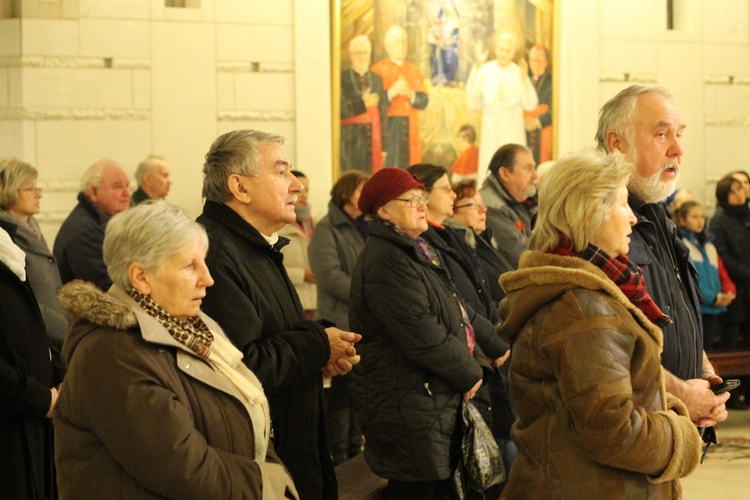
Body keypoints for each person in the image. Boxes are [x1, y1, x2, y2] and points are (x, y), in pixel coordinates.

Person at [53, 202, 298, 499]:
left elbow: (246, 409)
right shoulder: (111, 353)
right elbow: (185, 469)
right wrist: (266, 483)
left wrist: (272, 473)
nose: (208, 279)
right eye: (189, 266)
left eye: (204, 262)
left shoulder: (194, 327)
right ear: (141, 277)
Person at [498, 149, 702, 497]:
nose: (633, 219)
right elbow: (614, 431)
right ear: (589, 211)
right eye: (623, 204)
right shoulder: (584, 306)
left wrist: (672, 406)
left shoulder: (588, 291)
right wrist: (683, 436)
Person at [196, 129, 360, 500]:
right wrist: (318, 344)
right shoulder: (215, 254)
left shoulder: (252, 245)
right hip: (262, 462)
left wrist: (322, 351)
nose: (296, 187)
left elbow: (274, 332)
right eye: (281, 172)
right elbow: (242, 366)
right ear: (240, 187)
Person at [596, 85, 728, 428]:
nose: (678, 149)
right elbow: (604, 348)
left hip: (669, 430)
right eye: (661, 134)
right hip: (632, 436)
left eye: (679, 134)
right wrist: (683, 392)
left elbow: (677, 309)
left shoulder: (657, 213)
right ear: (616, 144)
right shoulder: (594, 222)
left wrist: (705, 375)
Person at [349, 167, 485, 499]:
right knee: (419, 490)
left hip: (425, 397)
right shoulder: (387, 260)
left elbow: (453, 311)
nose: (421, 206)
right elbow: (422, 333)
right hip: (407, 403)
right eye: (411, 200)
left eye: (422, 198)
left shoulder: (413, 250)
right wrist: (468, 372)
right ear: (383, 210)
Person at [308, 171, 369, 466]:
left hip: (365, 322)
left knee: (361, 392)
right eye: (362, 189)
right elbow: (330, 276)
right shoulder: (327, 228)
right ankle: (338, 456)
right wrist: (369, 294)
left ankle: (356, 450)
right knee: (342, 394)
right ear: (346, 193)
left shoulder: (367, 226)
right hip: (339, 321)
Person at [0, 224, 65, 500]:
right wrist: (40, 400)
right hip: (13, 422)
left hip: (31, 418)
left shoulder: (6, 239)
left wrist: (58, 371)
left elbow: (28, 323)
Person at [0, 158, 67, 349]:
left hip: (55, 334)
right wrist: (66, 331)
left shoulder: (31, 227)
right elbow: (27, 298)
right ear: (9, 190)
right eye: (30, 189)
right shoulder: (6, 236)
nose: (39, 195)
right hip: (38, 337)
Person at [466, 31, 538, 187]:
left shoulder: (518, 71)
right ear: (495, 49)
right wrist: (477, 66)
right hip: (491, 125)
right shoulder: (485, 69)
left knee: (512, 162)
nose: (503, 54)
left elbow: (531, 104)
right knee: (490, 159)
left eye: (507, 50)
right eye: (501, 49)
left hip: (512, 126)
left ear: (513, 53)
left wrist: (524, 79)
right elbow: (472, 96)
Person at [53, 159, 131, 291]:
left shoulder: (99, 222)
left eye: (127, 186)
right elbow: (107, 287)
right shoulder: (85, 232)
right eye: (117, 186)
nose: (126, 193)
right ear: (93, 192)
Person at [675, 200, 735, 350]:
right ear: (682, 220)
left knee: (708, 349)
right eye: (694, 217)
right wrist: (712, 297)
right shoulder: (681, 245)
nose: (700, 221)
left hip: (714, 307)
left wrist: (729, 292)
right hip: (696, 308)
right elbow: (687, 279)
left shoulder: (709, 245)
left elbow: (722, 273)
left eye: (702, 216)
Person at [371, 25, 429, 168]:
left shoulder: (414, 69)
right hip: (388, 125)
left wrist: (411, 94)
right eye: (397, 42)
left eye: (404, 41)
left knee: (410, 169)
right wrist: (392, 92)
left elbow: (424, 101)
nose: (402, 45)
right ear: (388, 46)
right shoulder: (377, 70)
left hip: (410, 125)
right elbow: (373, 103)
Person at [451, 179, 513, 303]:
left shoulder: (485, 241)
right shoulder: (458, 248)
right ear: (452, 213)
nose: (482, 210)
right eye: (473, 205)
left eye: (482, 204)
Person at [479, 143, 537, 270]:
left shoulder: (522, 199)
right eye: (528, 168)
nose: (535, 176)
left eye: (534, 168)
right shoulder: (489, 206)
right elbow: (521, 259)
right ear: (505, 173)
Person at [709, 176, 750, 349]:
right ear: (724, 196)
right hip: (733, 287)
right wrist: (745, 274)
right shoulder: (719, 220)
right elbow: (722, 255)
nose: (738, 195)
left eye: (740, 189)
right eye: (732, 192)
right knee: (730, 340)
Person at [340, 35, 387, 174]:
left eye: (365, 52)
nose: (362, 57)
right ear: (351, 55)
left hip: (374, 139)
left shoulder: (377, 79)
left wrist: (384, 146)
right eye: (358, 53)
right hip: (350, 139)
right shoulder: (342, 77)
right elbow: (340, 109)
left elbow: (383, 112)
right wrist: (362, 103)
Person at [280, 170, 317, 317]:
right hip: (293, 300)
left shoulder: (315, 223)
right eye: (299, 189)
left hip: (316, 301)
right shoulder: (277, 227)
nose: (304, 194)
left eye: (306, 190)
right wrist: (301, 274)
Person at [523, 44, 553, 165]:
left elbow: (556, 110)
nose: (535, 64)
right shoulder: (525, 80)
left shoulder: (552, 81)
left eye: (539, 60)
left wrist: (537, 121)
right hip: (525, 131)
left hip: (543, 131)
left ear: (546, 62)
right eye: (533, 60)